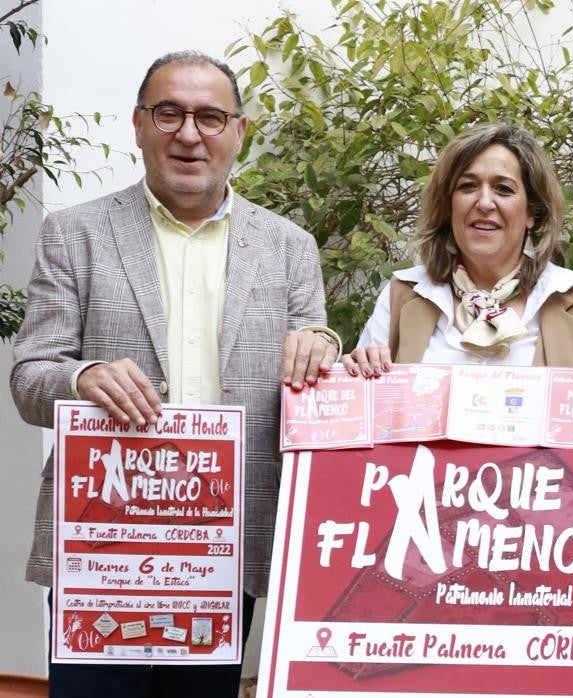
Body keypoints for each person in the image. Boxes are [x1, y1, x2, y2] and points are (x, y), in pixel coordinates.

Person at [9, 51, 336, 697]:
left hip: (225, 551)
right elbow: (29, 377)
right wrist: (81, 378)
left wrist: (324, 346)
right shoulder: (75, 234)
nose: (190, 133)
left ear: (240, 131)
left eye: (211, 117)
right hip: (101, 548)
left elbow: (314, 356)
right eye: (170, 113)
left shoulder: (288, 246)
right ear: (138, 124)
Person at [336, 122, 573, 375]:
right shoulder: (402, 296)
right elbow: (365, 416)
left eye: (503, 189)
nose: (484, 203)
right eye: (468, 186)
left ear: (532, 213)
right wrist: (357, 374)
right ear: (448, 206)